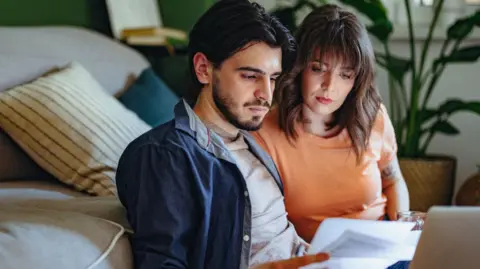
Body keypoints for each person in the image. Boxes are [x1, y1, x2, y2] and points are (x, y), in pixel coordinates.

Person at [115, 1, 329, 268]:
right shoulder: (164, 154)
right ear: (204, 69)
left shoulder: (250, 143)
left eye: (272, 78)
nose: (266, 94)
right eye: (251, 76)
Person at [251, 4, 410, 243]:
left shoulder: (373, 117)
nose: (329, 85)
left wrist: (401, 233)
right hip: (312, 256)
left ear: (356, 80)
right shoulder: (264, 134)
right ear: (298, 67)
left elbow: (393, 179)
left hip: (382, 249)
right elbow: (268, 229)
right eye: (318, 69)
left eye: (345, 75)